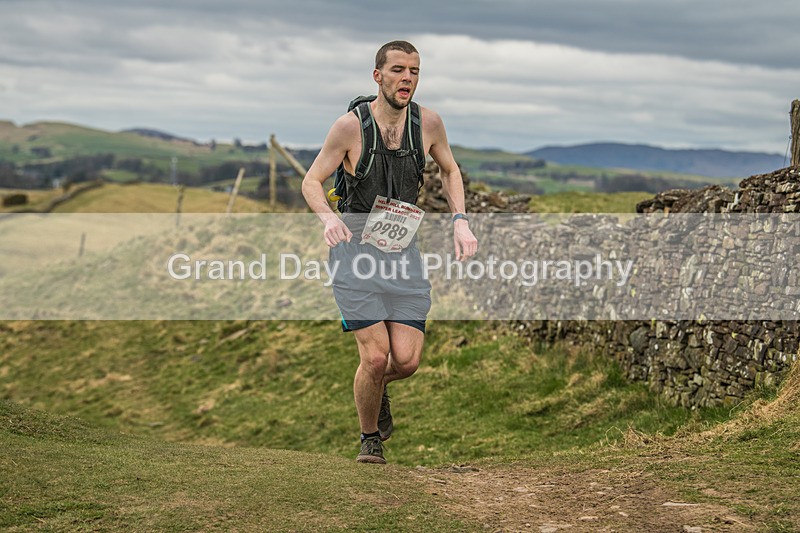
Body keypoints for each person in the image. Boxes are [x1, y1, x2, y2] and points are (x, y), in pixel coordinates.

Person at [301, 40, 477, 464]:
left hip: (403, 255)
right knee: (376, 356)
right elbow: (311, 181)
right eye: (398, 70)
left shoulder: (428, 124)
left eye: (414, 71)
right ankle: (369, 439)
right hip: (355, 255)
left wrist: (461, 220)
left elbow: (450, 170)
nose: (407, 79)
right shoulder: (349, 128)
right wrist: (328, 218)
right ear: (377, 76)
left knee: (408, 360)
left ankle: (376, 388)